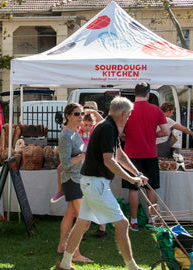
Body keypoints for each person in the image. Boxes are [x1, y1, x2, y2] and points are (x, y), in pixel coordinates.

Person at [57, 96, 148, 270]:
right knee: (122, 224)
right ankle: (132, 267)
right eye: (128, 114)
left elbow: (119, 155)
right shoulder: (107, 128)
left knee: (82, 223)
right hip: (95, 183)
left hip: (92, 183)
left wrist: (137, 173)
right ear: (122, 113)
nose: (129, 117)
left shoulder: (109, 127)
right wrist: (131, 179)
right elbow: (109, 160)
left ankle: (65, 263)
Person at [122, 82, 169, 231]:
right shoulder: (156, 110)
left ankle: (134, 221)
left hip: (131, 156)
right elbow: (166, 132)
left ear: (134, 94)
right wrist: (152, 134)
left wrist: (127, 136)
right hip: (150, 154)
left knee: (133, 189)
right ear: (148, 94)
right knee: (151, 188)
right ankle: (152, 220)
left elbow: (119, 132)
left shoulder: (126, 110)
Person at [56, 103, 93, 264]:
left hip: (78, 178)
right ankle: (75, 254)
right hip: (72, 180)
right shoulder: (65, 136)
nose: (80, 117)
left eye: (82, 114)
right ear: (68, 116)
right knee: (84, 220)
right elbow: (65, 164)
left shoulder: (74, 132)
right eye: (77, 114)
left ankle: (61, 246)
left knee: (70, 215)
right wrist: (84, 155)